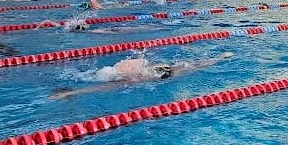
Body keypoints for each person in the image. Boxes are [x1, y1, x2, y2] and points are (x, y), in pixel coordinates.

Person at [49, 52, 234, 99]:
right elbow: (101, 87)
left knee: (192, 64)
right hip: (163, 73)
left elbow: (100, 87)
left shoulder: (132, 76)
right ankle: (218, 58)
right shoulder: (132, 79)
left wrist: (71, 93)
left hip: (160, 71)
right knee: (192, 65)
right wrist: (72, 93)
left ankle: (218, 58)